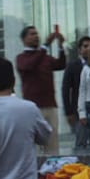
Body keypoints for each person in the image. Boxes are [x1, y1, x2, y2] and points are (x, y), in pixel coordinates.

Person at [15, 25, 67, 154]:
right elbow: (30, 65)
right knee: (35, 143)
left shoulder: (44, 57)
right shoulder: (21, 58)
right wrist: (46, 45)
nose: (36, 36)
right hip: (32, 106)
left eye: (36, 34)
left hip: (50, 105)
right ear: (23, 39)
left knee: (53, 142)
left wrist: (60, 46)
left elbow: (61, 64)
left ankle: (52, 171)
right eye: (32, 34)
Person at [61, 36, 90, 149]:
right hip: (79, 109)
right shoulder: (73, 66)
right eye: (85, 46)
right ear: (79, 49)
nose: (88, 49)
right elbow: (65, 89)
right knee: (81, 140)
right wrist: (68, 112)